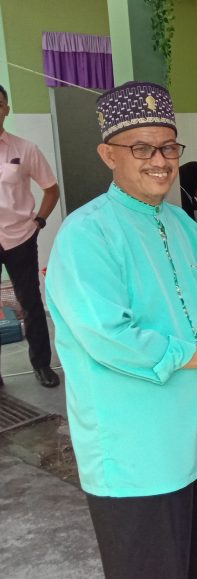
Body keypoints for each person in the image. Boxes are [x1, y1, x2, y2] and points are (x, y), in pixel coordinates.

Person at [44, 81, 197, 579]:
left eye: (169, 147)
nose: (160, 160)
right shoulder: (86, 234)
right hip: (138, 456)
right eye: (142, 148)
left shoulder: (180, 224)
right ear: (108, 154)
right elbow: (109, 337)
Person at [0, 83, 61, 388]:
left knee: (31, 303)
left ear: (6, 110)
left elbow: (51, 189)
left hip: (20, 238)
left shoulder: (25, 149)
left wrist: (39, 221)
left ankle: (42, 365)